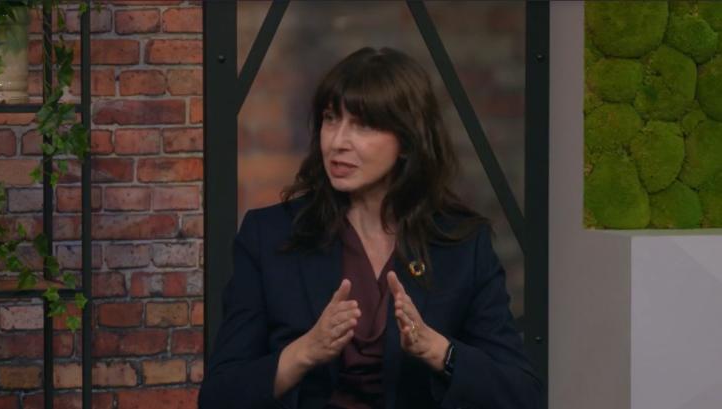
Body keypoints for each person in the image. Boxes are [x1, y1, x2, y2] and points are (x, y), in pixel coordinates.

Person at [198, 46, 542, 409]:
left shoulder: (462, 245)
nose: (338, 142)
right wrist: (304, 351)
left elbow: (523, 395)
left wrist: (439, 350)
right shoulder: (269, 236)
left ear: (407, 142)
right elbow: (219, 397)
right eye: (331, 119)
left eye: (362, 125)